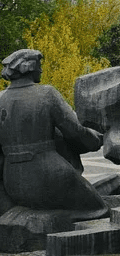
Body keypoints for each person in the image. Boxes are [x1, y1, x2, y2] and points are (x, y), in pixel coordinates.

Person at [0, 49, 108, 219]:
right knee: (99, 209)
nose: (41, 70)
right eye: (39, 65)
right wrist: (97, 139)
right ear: (29, 67)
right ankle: (53, 220)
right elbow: (75, 132)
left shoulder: (0, 99)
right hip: (50, 177)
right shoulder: (46, 94)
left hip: (13, 183)